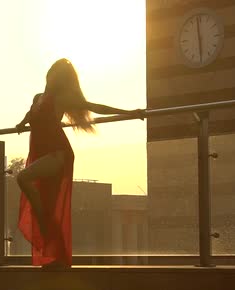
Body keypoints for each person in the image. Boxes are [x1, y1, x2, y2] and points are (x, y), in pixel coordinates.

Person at [16, 58, 143, 269]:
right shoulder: (38, 97)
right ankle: (56, 258)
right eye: (52, 71)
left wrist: (130, 112)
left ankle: (47, 230)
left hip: (57, 154)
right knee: (49, 206)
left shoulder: (62, 98)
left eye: (57, 74)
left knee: (23, 178)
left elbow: (95, 107)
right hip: (41, 154)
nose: (52, 76)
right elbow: (31, 116)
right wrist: (21, 124)